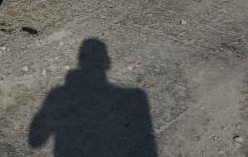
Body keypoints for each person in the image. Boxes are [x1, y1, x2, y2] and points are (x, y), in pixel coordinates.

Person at [29, 39, 157, 156]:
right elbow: (148, 145)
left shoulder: (59, 95)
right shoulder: (134, 97)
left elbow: (35, 140)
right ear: (107, 63)